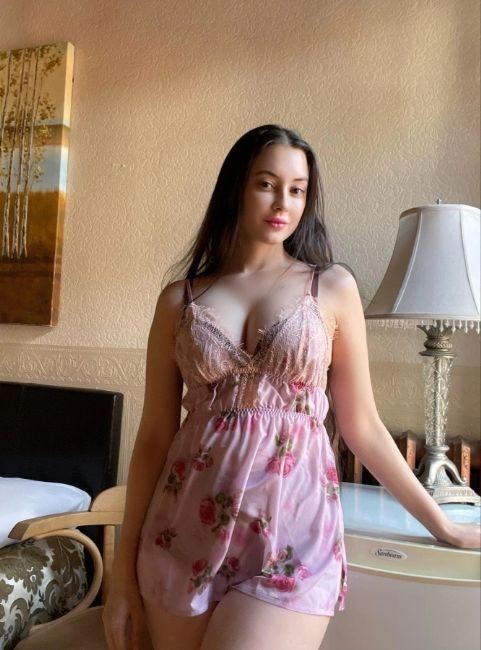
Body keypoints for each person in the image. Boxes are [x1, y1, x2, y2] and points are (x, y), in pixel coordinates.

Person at [102, 124, 481, 650]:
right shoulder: (178, 300)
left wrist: (443, 526)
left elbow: (363, 427)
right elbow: (153, 439)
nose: (284, 202)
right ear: (236, 188)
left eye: (298, 189)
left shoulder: (331, 287)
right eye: (267, 184)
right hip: (181, 533)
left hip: (291, 537)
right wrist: (121, 577)